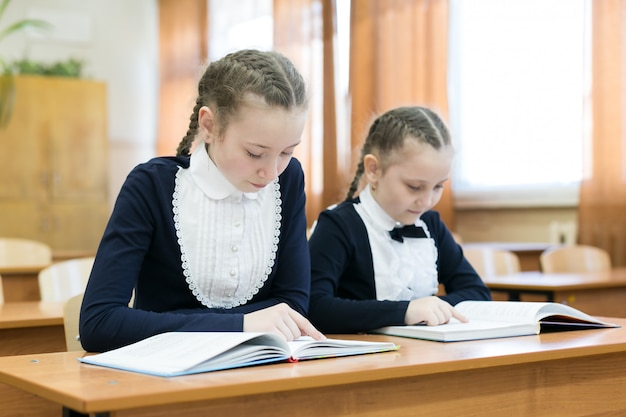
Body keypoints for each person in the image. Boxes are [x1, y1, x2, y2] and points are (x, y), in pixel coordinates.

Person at [80, 49, 324, 352]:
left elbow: (293, 306)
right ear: (208, 126)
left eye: (287, 152)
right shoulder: (151, 185)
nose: (272, 172)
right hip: (160, 379)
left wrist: (180, 322)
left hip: (259, 370)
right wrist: (242, 325)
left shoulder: (288, 180)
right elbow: (99, 323)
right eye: (254, 153)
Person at [307, 106, 492, 334]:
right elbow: (315, 306)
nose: (426, 201)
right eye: (414, 187)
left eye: (438, 186)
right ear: (374, 169)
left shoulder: (429, 224)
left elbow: (477, 292)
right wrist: (405, 311)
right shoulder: (339, 225)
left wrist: (433, 309)